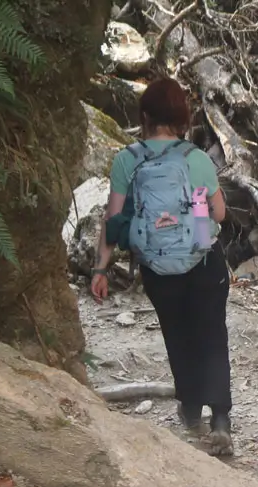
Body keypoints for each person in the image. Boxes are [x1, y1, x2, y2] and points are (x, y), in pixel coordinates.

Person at [90, 78, 233, 456]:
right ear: (182, 117)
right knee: (212, 335)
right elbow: (219, 213)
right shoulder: (196, 158)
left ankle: (190, 409)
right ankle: (221, 420)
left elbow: (114, 218)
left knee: (177, 332)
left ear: (146, 116)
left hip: (156, 267)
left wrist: (100, 270)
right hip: (202, 262)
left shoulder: (127, 160)